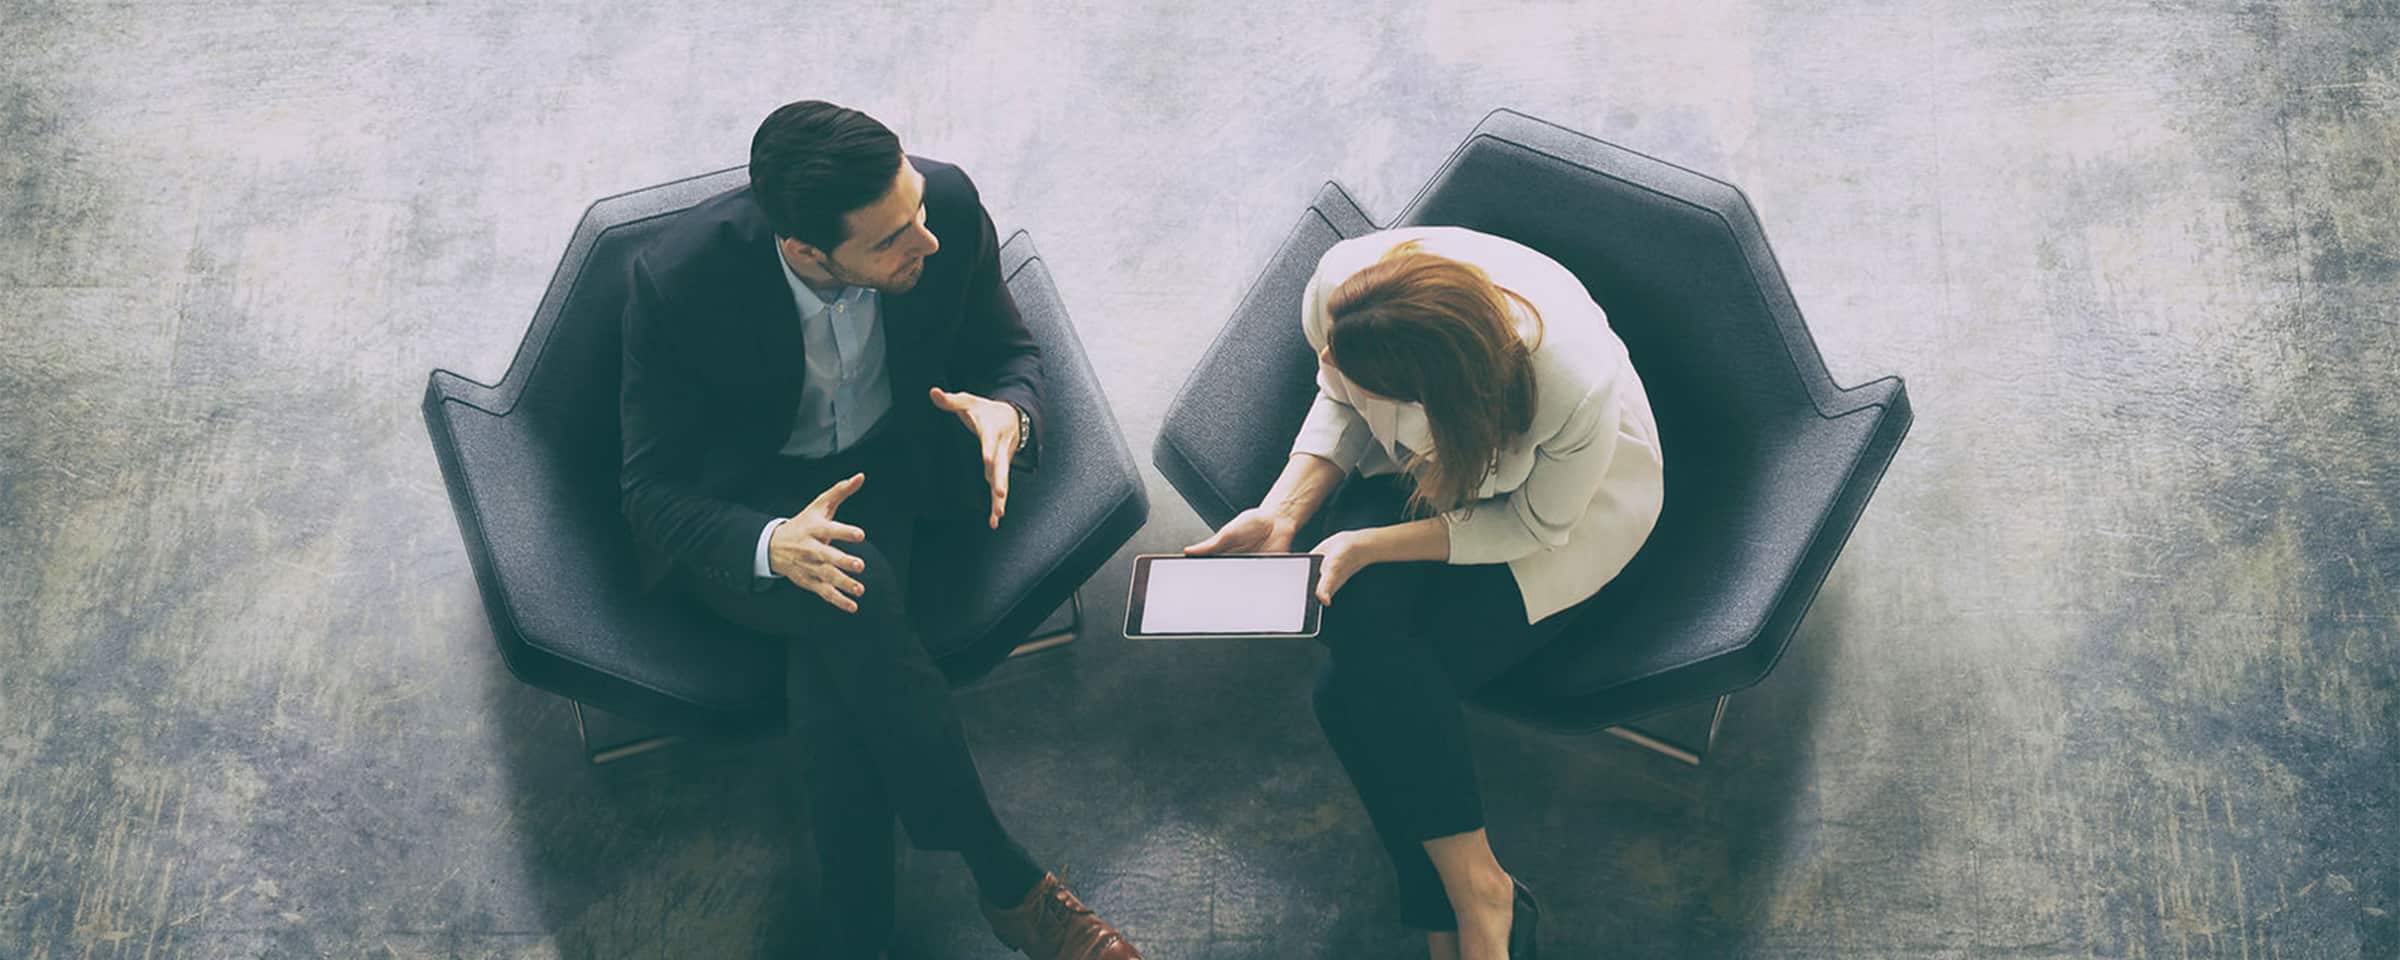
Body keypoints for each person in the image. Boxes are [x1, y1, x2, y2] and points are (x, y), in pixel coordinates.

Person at [619, 100, 1143, 960]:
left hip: (890, 470)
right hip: (751, 507)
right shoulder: (679, 284)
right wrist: (771, 544)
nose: (927, 243)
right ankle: (1008, 882)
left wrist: (1009, 413)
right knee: (848, 607)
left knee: (839, 674)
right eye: (894, 239)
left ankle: (863, 933)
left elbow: (1011, 350)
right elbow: (650, 487)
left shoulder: (945, 207)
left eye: (920, 215)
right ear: (805, 251)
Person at [1186, 226, 1666, 960]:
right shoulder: (1341, 294)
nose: (1322, 359)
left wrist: (1370, 542)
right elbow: (1339, 393)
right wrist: (1286, 510)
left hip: (1568, 512)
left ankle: (1458, 900)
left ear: (1430, 400)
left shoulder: (1572, 387)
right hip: (1425, 462)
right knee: (1356, 629)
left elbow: (1536, 521)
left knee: (1350, 691)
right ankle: (1475, 891)